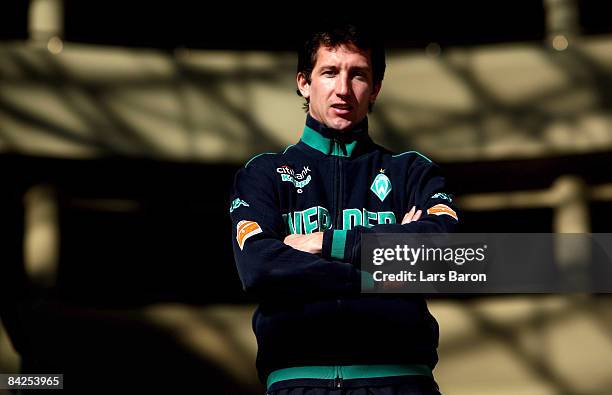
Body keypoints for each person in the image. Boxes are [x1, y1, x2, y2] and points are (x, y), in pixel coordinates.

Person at [230, 20, 458, 395]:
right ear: (303, 81)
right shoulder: (264, 174)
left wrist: (327, 243)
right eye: (330, 72)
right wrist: (386, 272)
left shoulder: (411, 171)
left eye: (358, 75)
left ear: (376, 88)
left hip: (399, 382)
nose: (343, 89)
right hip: (297, 383)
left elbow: (443, 254)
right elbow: (258, 267)